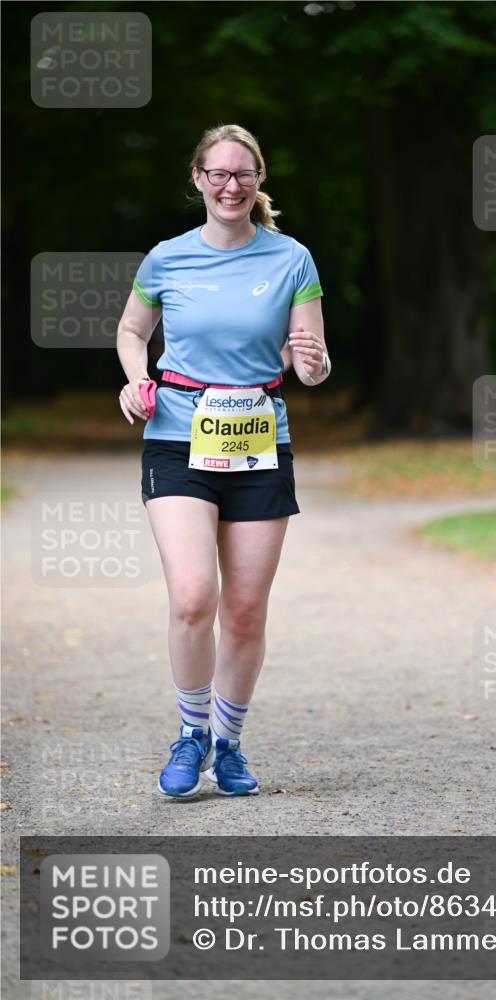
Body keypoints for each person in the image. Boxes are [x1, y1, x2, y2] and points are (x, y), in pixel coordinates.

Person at [116, 123, 330, 799]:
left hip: (259, 441)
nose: (231, 186)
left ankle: (228, 744)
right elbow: (131, 329)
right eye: (219, 174)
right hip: (178, 436)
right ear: (198, 179)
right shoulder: (166, 259)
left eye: (243, 174)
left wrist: (315, 364)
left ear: (258, 179)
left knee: (243, 610)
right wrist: (133, 378)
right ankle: (190, 732)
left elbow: (309, 362)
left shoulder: (292, 260)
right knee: (191, 598)